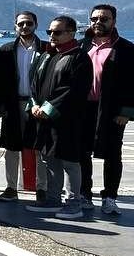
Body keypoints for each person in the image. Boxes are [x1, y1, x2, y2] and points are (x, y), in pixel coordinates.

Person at [25, 16, 94, 219]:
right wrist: (35, 105)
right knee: (48, 158)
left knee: (70, 161)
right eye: (49, 32)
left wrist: (48, 108)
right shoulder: (49, 56)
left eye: (57, 32)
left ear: (71, 33)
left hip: (68, 120)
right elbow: (35, 84)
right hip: (45, 119)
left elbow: (72, 90)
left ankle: (74, 202)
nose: (52, 36)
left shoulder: (79, 58)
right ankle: (53, 199)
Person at [81, 4, 133, 216]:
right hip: (84, 109)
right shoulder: (82, 46)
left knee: (113, 153)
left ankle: (110, 197)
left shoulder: (126, 49)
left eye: (104, 19)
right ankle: (84, 193)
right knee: (82, 152)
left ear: (114, 21)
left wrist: (127, 111)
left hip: (112, 110)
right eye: (94, 18)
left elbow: (133, 83)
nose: (98, 22)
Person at [0, 11, 45, 203]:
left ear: (36, 24)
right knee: (11, 148)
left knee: (39, 147)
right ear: (15, 26)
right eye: (21, 24)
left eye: (29, 23)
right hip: (12, 105)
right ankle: (10, 187)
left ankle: (42, 188)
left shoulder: (47, 49)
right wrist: (0, 106)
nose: (25, 27)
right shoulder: (6, 50)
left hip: (37, 105)